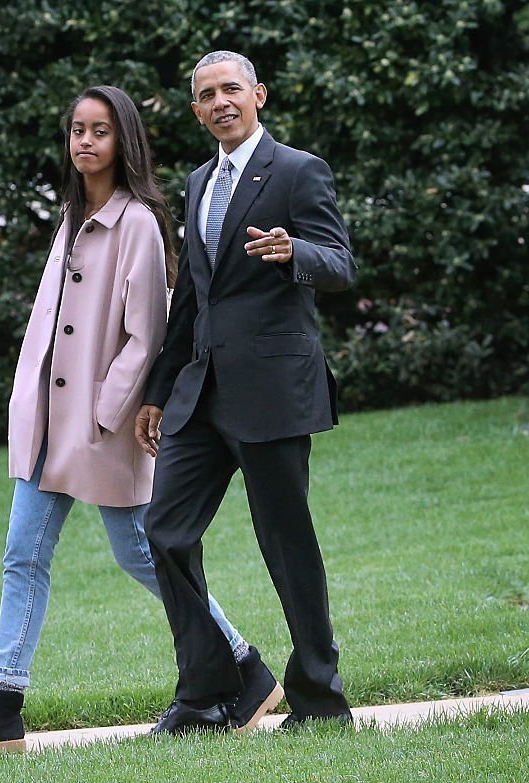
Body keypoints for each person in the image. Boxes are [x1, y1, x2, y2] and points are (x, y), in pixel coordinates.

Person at [0, 85, 277, 754]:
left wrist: (101, 416)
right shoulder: (70, 216)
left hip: (99, 428)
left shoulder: (137, 222)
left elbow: (145, 335)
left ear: (124, 143)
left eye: (100, 131)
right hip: (45, 426)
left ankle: (243, 664)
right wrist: (32, 404)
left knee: (143, 553)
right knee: (22, 555)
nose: (85, 141)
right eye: (77, 130)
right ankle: (2, 702)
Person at [135, 51, 356, 734]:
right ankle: (208, 694)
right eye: (207, 95)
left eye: (232, 88)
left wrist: (298, 253)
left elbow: (342, 264)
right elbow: (192, 297)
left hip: (273, 392)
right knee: (163, 533)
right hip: (200, 396)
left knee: (286, 545)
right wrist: (158, 390)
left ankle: (319, 699)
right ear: (197, 110)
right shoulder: (199, 183)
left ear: (258, 94)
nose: (221, 101)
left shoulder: (297, 170)